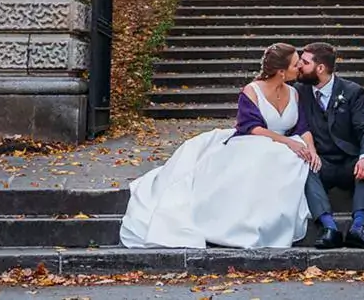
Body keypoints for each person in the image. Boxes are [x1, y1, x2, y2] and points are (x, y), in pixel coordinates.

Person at [119, 43, 322, 248]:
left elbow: (302, 127)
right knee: (266, 156)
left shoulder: (294, 93)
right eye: (296, 64)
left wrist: (311, 149)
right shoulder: (251, 91)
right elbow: (251, 128)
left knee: (293, 157)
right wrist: (287, 142)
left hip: (284, 145)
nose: (300, 68)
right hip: (253, 140)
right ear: (281, 72)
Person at [294, 42, 364, 249]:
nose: (299, 66)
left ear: (320, 68)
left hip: (347, 161)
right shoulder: (298, 91)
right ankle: (329, 228)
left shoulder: (352, 92)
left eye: (304, 63)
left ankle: (358, 228)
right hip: (319, 163)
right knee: (303, 168)